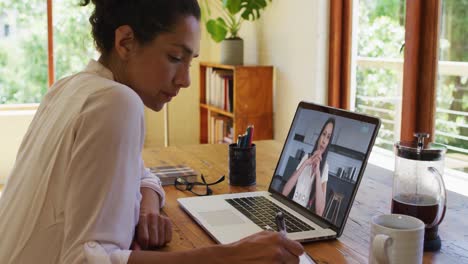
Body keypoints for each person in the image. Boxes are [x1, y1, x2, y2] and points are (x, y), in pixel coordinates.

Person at [0, 1, 304, 263]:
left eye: (190, 61)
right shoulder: (117, 102)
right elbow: (85, 260)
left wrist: (147, 207)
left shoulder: (69, 87)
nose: (185, 80)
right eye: (174, 58)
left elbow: (141, 172)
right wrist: (232, 256)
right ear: (126, 42)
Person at [282, 118, 335, 216]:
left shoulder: (325, 167)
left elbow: (319, 211)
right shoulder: (306, 157)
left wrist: (318, 173)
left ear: (329, 143)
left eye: (328, 137)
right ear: (319, 136)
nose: (324, 141)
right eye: (323, 134)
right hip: (290, 210)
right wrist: (305, 164)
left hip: (304, 216)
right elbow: (285, 192)